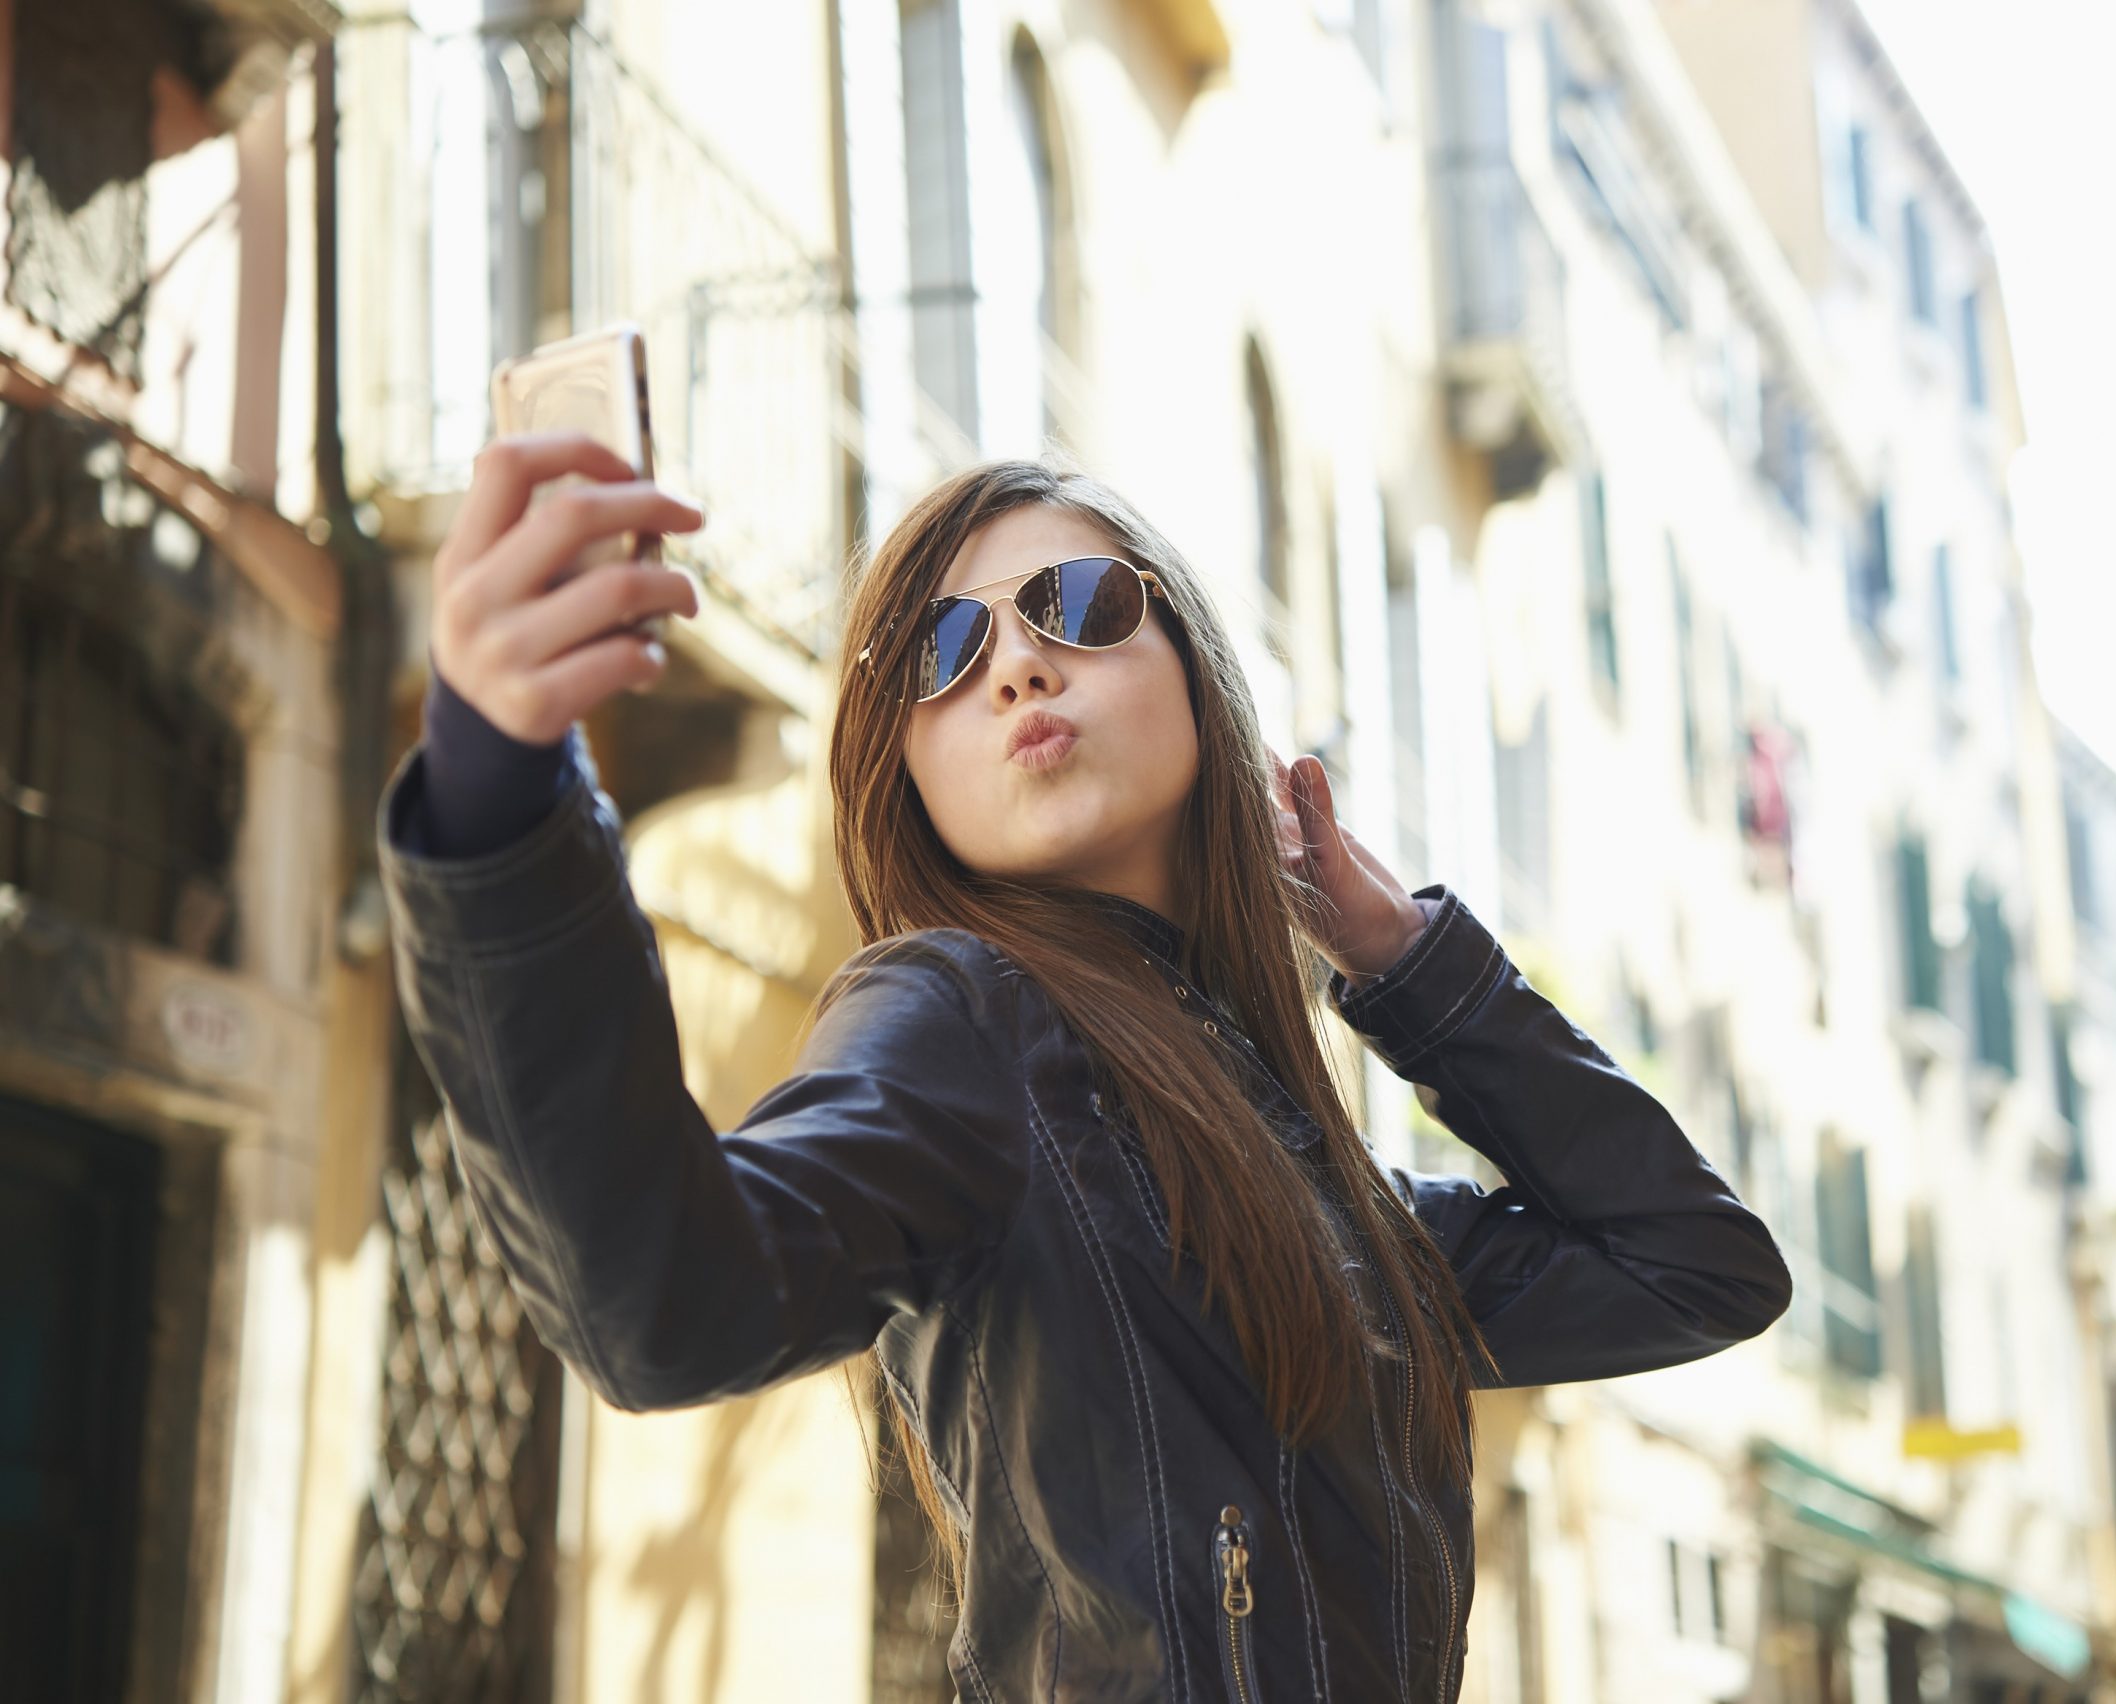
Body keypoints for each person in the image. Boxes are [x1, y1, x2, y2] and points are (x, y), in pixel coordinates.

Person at [375, 434, 1793, 1701]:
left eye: (1079, 605)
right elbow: (666, 1305)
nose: (1014, 665)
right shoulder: (960, 1020)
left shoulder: (1330, 1195)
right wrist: (498, 787)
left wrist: (1408, 960)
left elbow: (1699, 1265)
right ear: (905, 768)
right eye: (940, 651)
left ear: (1198, 676)